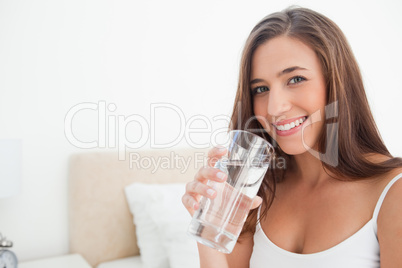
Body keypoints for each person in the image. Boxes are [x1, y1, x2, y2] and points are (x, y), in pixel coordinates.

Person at [182, 6, 402, 268]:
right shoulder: (258, 193)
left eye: (295, 79)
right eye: (261, 89)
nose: (274, 108)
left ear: (337, 83)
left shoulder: (392, 192)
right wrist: (207, 228)